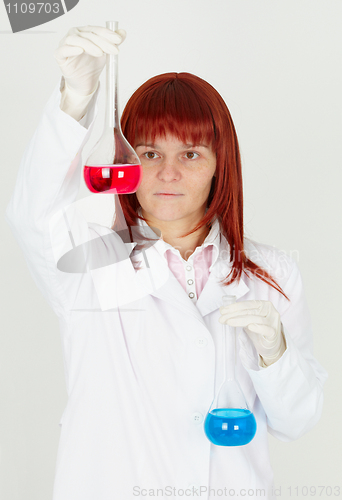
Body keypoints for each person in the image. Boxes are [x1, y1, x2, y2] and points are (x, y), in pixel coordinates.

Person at [5, 25, 328, 500]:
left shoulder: (272, 274)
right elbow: (30, 215)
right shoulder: (91, 264)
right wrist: (76, 100)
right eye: (150, 152)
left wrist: (276, 354)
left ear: (221, 164)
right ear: (125, 159)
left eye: (191, 153)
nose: (168, 172)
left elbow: (296, 422)